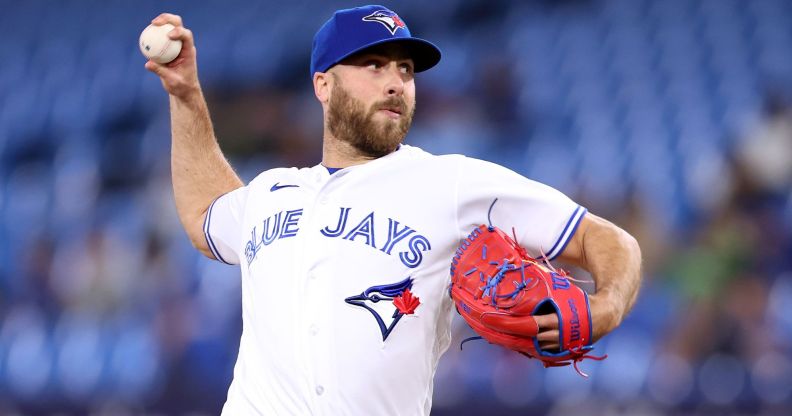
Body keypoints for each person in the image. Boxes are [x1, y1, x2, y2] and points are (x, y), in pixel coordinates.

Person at [145, 5, 642, 415]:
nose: (396, 82)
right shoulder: (273, 190)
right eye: (374, 65)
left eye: (405, 69)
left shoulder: (451, 183)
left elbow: (608, 240)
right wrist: (185, 93)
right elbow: (204, 213)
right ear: (323, 85)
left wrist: (608, 304)